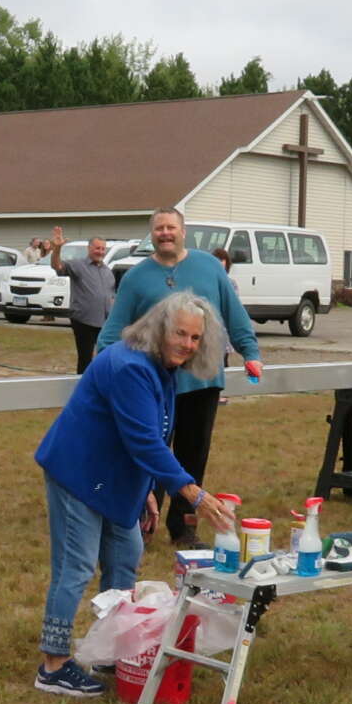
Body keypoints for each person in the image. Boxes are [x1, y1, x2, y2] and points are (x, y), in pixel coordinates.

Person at [29, 292, 239, 697]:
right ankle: (52, 665)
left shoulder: (160, 366)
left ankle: (110, 648)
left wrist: (145, 491)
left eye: (196, 338)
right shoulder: (130, 367)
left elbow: (148, 432)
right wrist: (194, 495)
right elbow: (145, 441)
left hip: (111, 476)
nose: (187, 344)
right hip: (79, 472)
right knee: (76, 567)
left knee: (125, 556)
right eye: (180, 333)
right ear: (159, 329)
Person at [96, 208, 261, 547]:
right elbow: (114, 329)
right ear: (152, 235)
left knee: (193, 457)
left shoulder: (209, 267)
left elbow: (235, 314)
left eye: (171, 227)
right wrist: (102, 369)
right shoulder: (136, 277)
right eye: (159, 229)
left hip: (202, 383)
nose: (165, 233)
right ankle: (141, 524)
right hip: (153, 386)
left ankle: (184, 527)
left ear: (183, 232)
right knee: (151, 454)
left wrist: (251, 352)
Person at [48, 223, 119, 373]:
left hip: (104, 323)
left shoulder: (107, 271)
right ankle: (82, 384)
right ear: (89, 248)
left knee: (105, 357)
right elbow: (57, 266)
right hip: (83, 321)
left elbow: (111, 296)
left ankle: (100, 383)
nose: (100, 252)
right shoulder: (78, 265)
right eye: (97, 248)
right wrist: (57, 248)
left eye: (103, 249)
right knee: (85, 359)